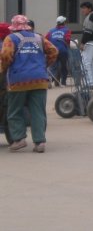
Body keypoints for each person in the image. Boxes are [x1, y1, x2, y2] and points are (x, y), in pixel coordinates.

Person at [0, 15, 58, 153]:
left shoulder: (11, 38)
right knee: (37, 111)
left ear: (13, 28)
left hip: (18, 80)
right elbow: (54, 51)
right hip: (40, 79)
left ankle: (19, 139)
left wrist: (4, 68)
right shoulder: (39, 38)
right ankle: (40, 143)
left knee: (14, 111)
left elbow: (6, 55)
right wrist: (44, 65)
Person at [46, 16, 72, 87]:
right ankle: (63, 82)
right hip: (63, 51)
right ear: (64, 23)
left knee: (53, 67)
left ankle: (49, 80)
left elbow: (46, 39)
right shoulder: (67, 30)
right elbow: (67, 39)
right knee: (64, 66)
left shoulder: (51, 31)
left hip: (53, 50)